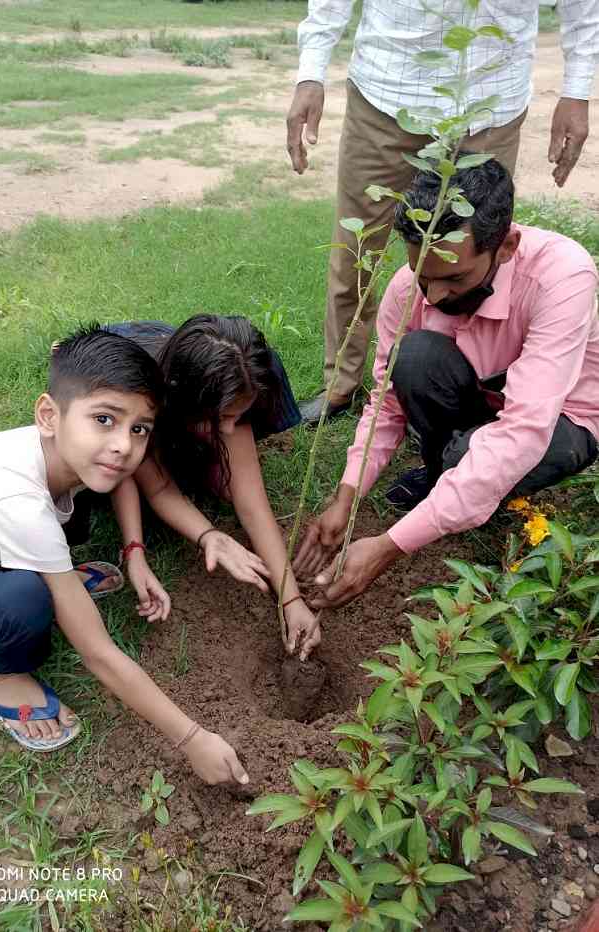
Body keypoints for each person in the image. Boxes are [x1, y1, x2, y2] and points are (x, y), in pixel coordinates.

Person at [0, 326, 252, 786]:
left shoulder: (60, 450)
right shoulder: (18, 504)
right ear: (49, 414)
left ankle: (55, 577)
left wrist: (135, 553)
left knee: (52, 552)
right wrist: (193, 739)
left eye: (139, 428)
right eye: (105, 419)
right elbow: (99, 653)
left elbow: (123, 472)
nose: (124, 444)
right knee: (24, 601)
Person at [294, 158, 599, 608]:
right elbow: (385, 404)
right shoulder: (408, 290)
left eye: (454, 278)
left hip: (560, 419)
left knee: (474, 455)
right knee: (413, 357)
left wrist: (389, 546)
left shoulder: (562, 276)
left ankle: (458, 480)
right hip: (483, 394)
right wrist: (347, 494)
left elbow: (523, 430)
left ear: (507, 246)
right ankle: (448, 477)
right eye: (424, 276)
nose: (434, 296)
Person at [289, 0, 598, 426]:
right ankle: (341, 385)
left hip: (492, 104)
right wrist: (311, 72)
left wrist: (577, 90)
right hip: (389, 91)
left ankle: (452, 397)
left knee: (475, 258)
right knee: (356, 251)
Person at [106, 315, 322, 661]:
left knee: (227, 484)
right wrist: (208, 535)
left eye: (239, 415)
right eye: (221, 418)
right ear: (184, 400)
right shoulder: (140, 398)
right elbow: (160, 489)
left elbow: (252, 503)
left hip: (175, 361)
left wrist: (291, 599)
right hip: (129, 346)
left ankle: (202, 449)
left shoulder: (233, 384)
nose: (231, 428)